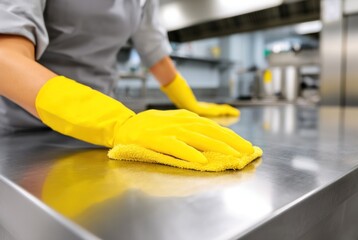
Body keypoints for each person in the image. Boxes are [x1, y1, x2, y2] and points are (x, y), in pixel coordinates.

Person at [0, 0, 254, 163]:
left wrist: (190, 103)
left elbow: (156, 55)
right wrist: (115, 122)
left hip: (98, 135)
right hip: (23, 128)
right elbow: (6, 57)